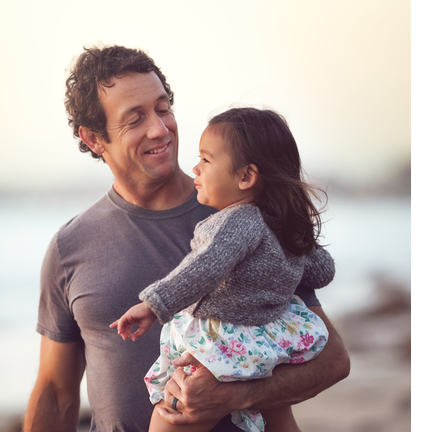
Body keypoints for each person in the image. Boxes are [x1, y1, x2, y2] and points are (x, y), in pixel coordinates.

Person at [24, 45, 350, 432]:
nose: (160, 128)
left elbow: (332, 361)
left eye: (163, 108)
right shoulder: (70, 247)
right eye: (135, 118)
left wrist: (234, 397)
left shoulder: (248, 215)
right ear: (95, 139)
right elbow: (56, 392)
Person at [110, 107, 334, 432]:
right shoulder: (282, 227)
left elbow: (204, 267)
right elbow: (323, 272)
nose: (195, 168)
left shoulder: (238, 219)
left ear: (245, 177)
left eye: (206, 160)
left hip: (223, 340)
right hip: (267, 342)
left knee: (170, 415)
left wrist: (153, 305)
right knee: (278, 417)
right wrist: (299, 242)